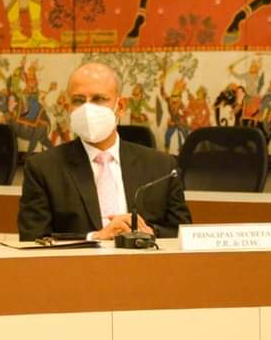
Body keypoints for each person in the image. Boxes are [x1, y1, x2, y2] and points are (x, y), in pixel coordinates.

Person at [18, 62, 192, 241]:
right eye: (78, 100)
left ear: (121, 107)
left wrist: (149, 234)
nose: (87, 109)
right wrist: (95, 237)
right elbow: (33, 238)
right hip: (79, 259)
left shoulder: (162, 167)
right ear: (69, 107)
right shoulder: (43, 168)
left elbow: (183, 233)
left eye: (99, 99)